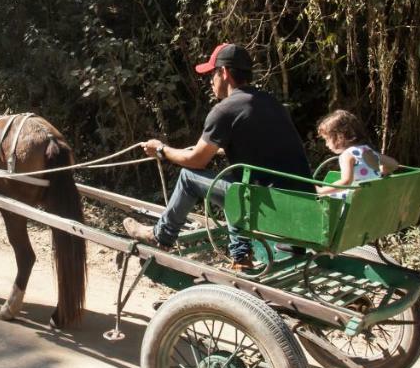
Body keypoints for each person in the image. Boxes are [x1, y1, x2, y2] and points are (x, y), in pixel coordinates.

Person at [122, 43, 311, 271]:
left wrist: (161, 149)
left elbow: (197, 162)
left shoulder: (225, 110)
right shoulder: (270, 103)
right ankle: (242, 256)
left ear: (224, 72)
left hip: (265, 203)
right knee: (237, 181)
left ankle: (161, 236)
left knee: (188, 177)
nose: (210, 81)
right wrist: (218, 148)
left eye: (212, 74)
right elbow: (264, 147)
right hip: (300, 201)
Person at [314, 109, 400, 197]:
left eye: (327, 139)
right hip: (374, 197)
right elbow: (393, 164)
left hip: (357, 200)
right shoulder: (368, 151)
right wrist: (381, 172)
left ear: (340, 137)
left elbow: (346, 182)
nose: (326, 144)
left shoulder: (347, 155)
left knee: (327, 196)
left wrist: (321, 191)